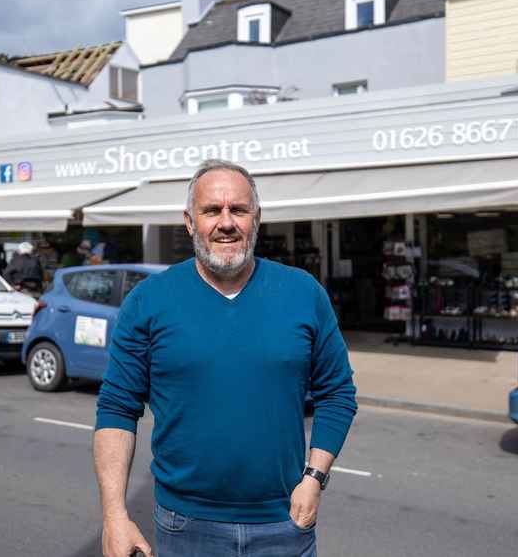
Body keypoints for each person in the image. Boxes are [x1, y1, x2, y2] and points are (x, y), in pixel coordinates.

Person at [93, 159, 357, 557]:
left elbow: (337, 392)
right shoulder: (149, 301)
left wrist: (315, 477)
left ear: (257, 218)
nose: (226, 222)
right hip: (185, 528)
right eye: (212, 210)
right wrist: (114, 516)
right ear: (189, 221)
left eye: (239, 209)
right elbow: (116, 409)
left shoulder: (303, 293)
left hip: (284, 523)